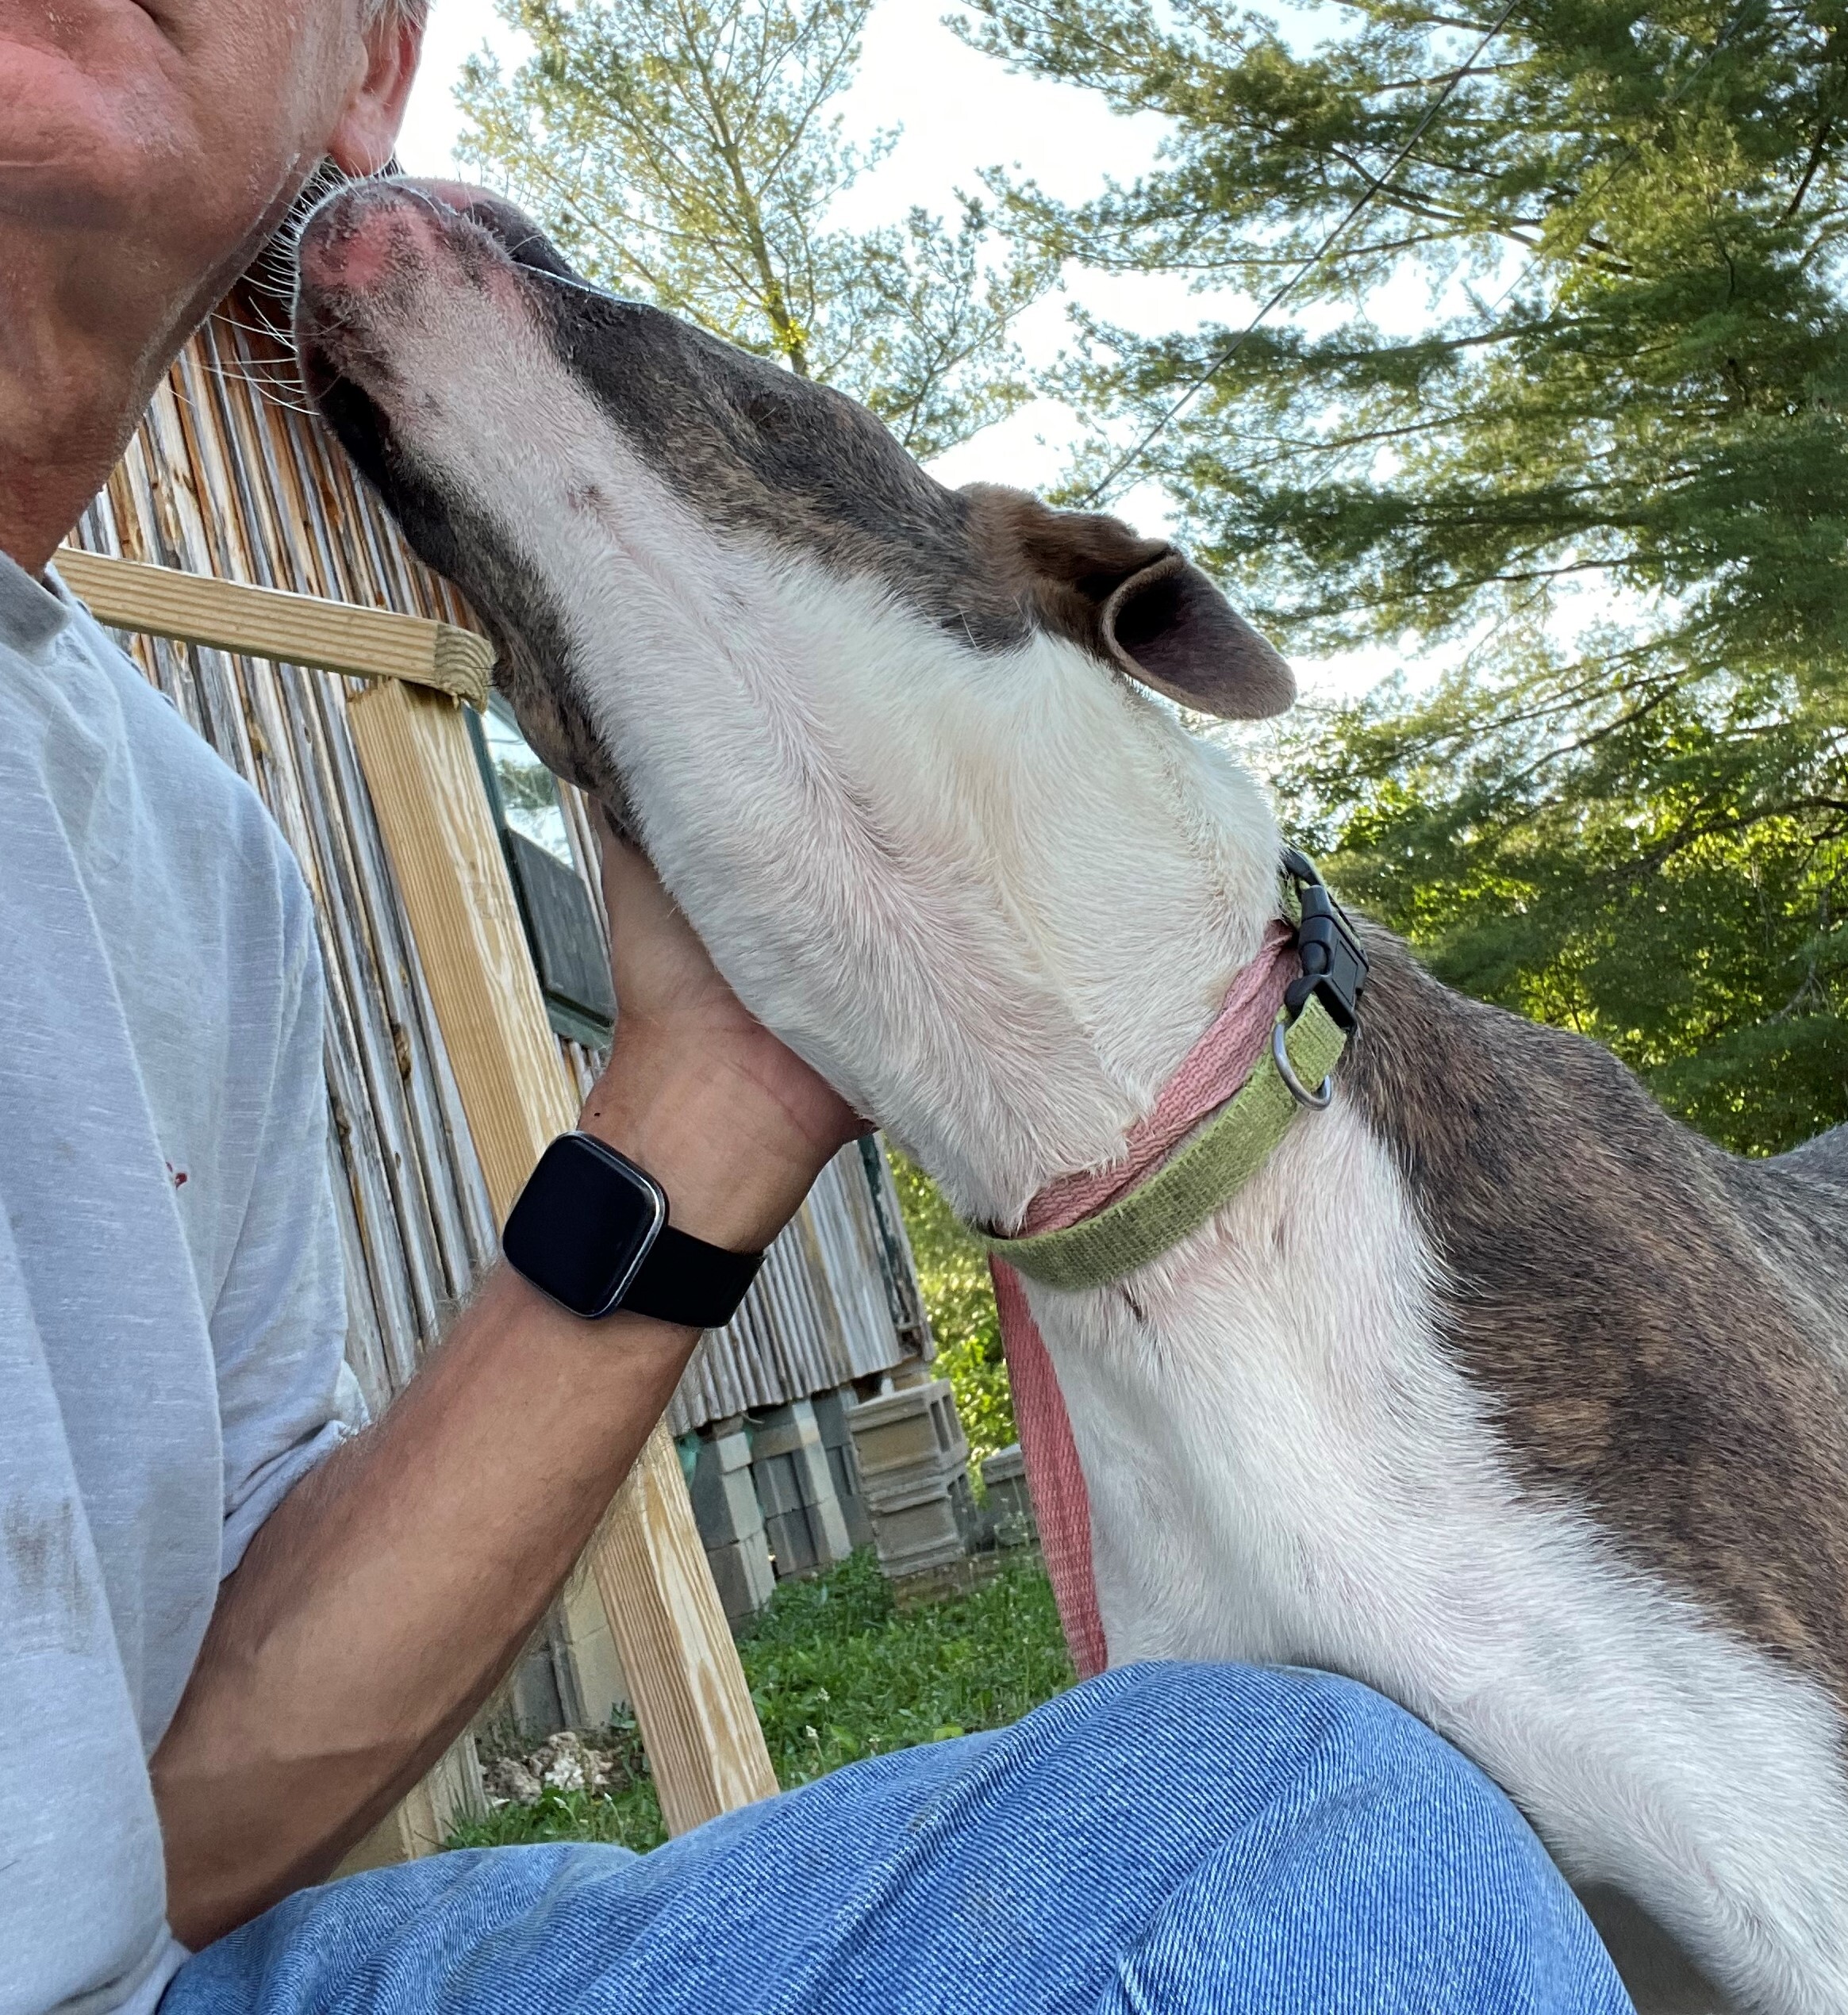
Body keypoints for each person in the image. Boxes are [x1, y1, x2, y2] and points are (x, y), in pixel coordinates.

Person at [0, 3, 1628, 2010]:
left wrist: (716, 1088)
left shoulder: (194, 866)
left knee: (1312, 1840)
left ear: (371, 61)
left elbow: (163, 1801)